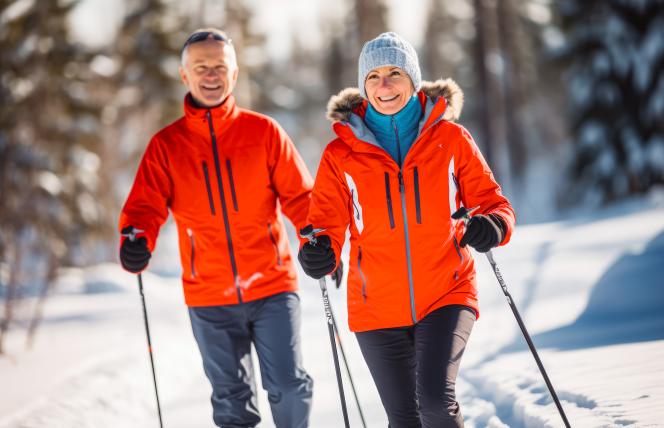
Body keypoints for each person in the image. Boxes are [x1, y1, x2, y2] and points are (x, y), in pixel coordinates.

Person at [298, 32, 516, 428]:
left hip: (446, 291)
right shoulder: (340, 154)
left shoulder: (451, 139)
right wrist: (319, 250)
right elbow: (324, 223)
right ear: (363, 87)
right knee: (404, 419)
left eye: (395, 73)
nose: (384, 85)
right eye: (374, 76)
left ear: (413, 80)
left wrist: (493, 226)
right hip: (375, 305)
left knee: (434, 402)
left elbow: (493, 203)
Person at [119, 28, 315, 428]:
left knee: (289, 386)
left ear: (235, 73)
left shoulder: (264, 133)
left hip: (272, 286)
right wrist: (136, 237)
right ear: (184, 75)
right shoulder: (167, 146)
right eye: (201, 67)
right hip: (208, 294)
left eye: (219, 67)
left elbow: (301, 196)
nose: (211, 75)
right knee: (231, 402)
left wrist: (316, 235)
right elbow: (145, 205)